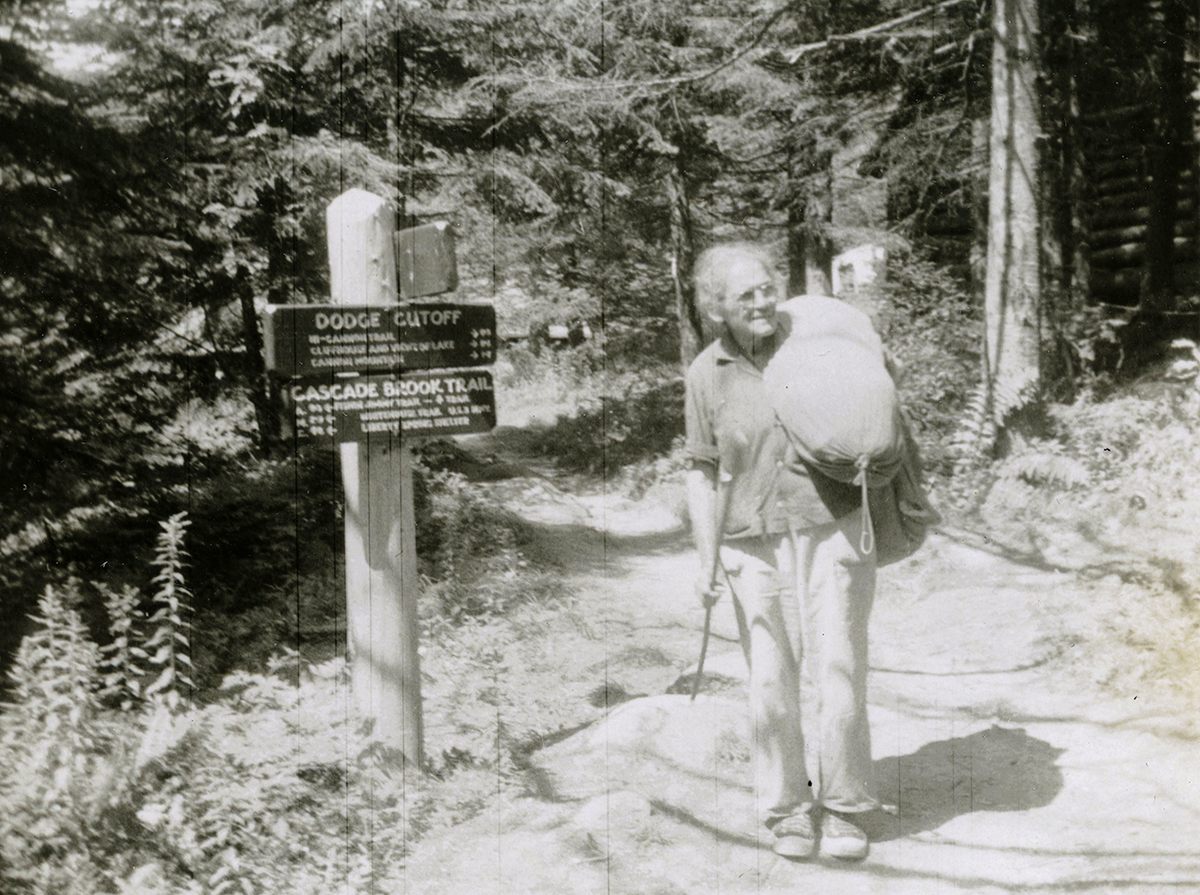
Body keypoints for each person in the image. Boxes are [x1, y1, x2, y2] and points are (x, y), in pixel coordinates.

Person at [684, 242, 880, 861]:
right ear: (718, 308)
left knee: (839, 664)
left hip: (831, 523)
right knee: (770, 678)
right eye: (746, 295)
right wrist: (705, 557)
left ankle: (846, 808)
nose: (764, 301)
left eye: (767, 287)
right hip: (749, 536)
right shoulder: (704, 374)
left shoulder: (813, 347)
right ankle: (788, 811)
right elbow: (700, 470)